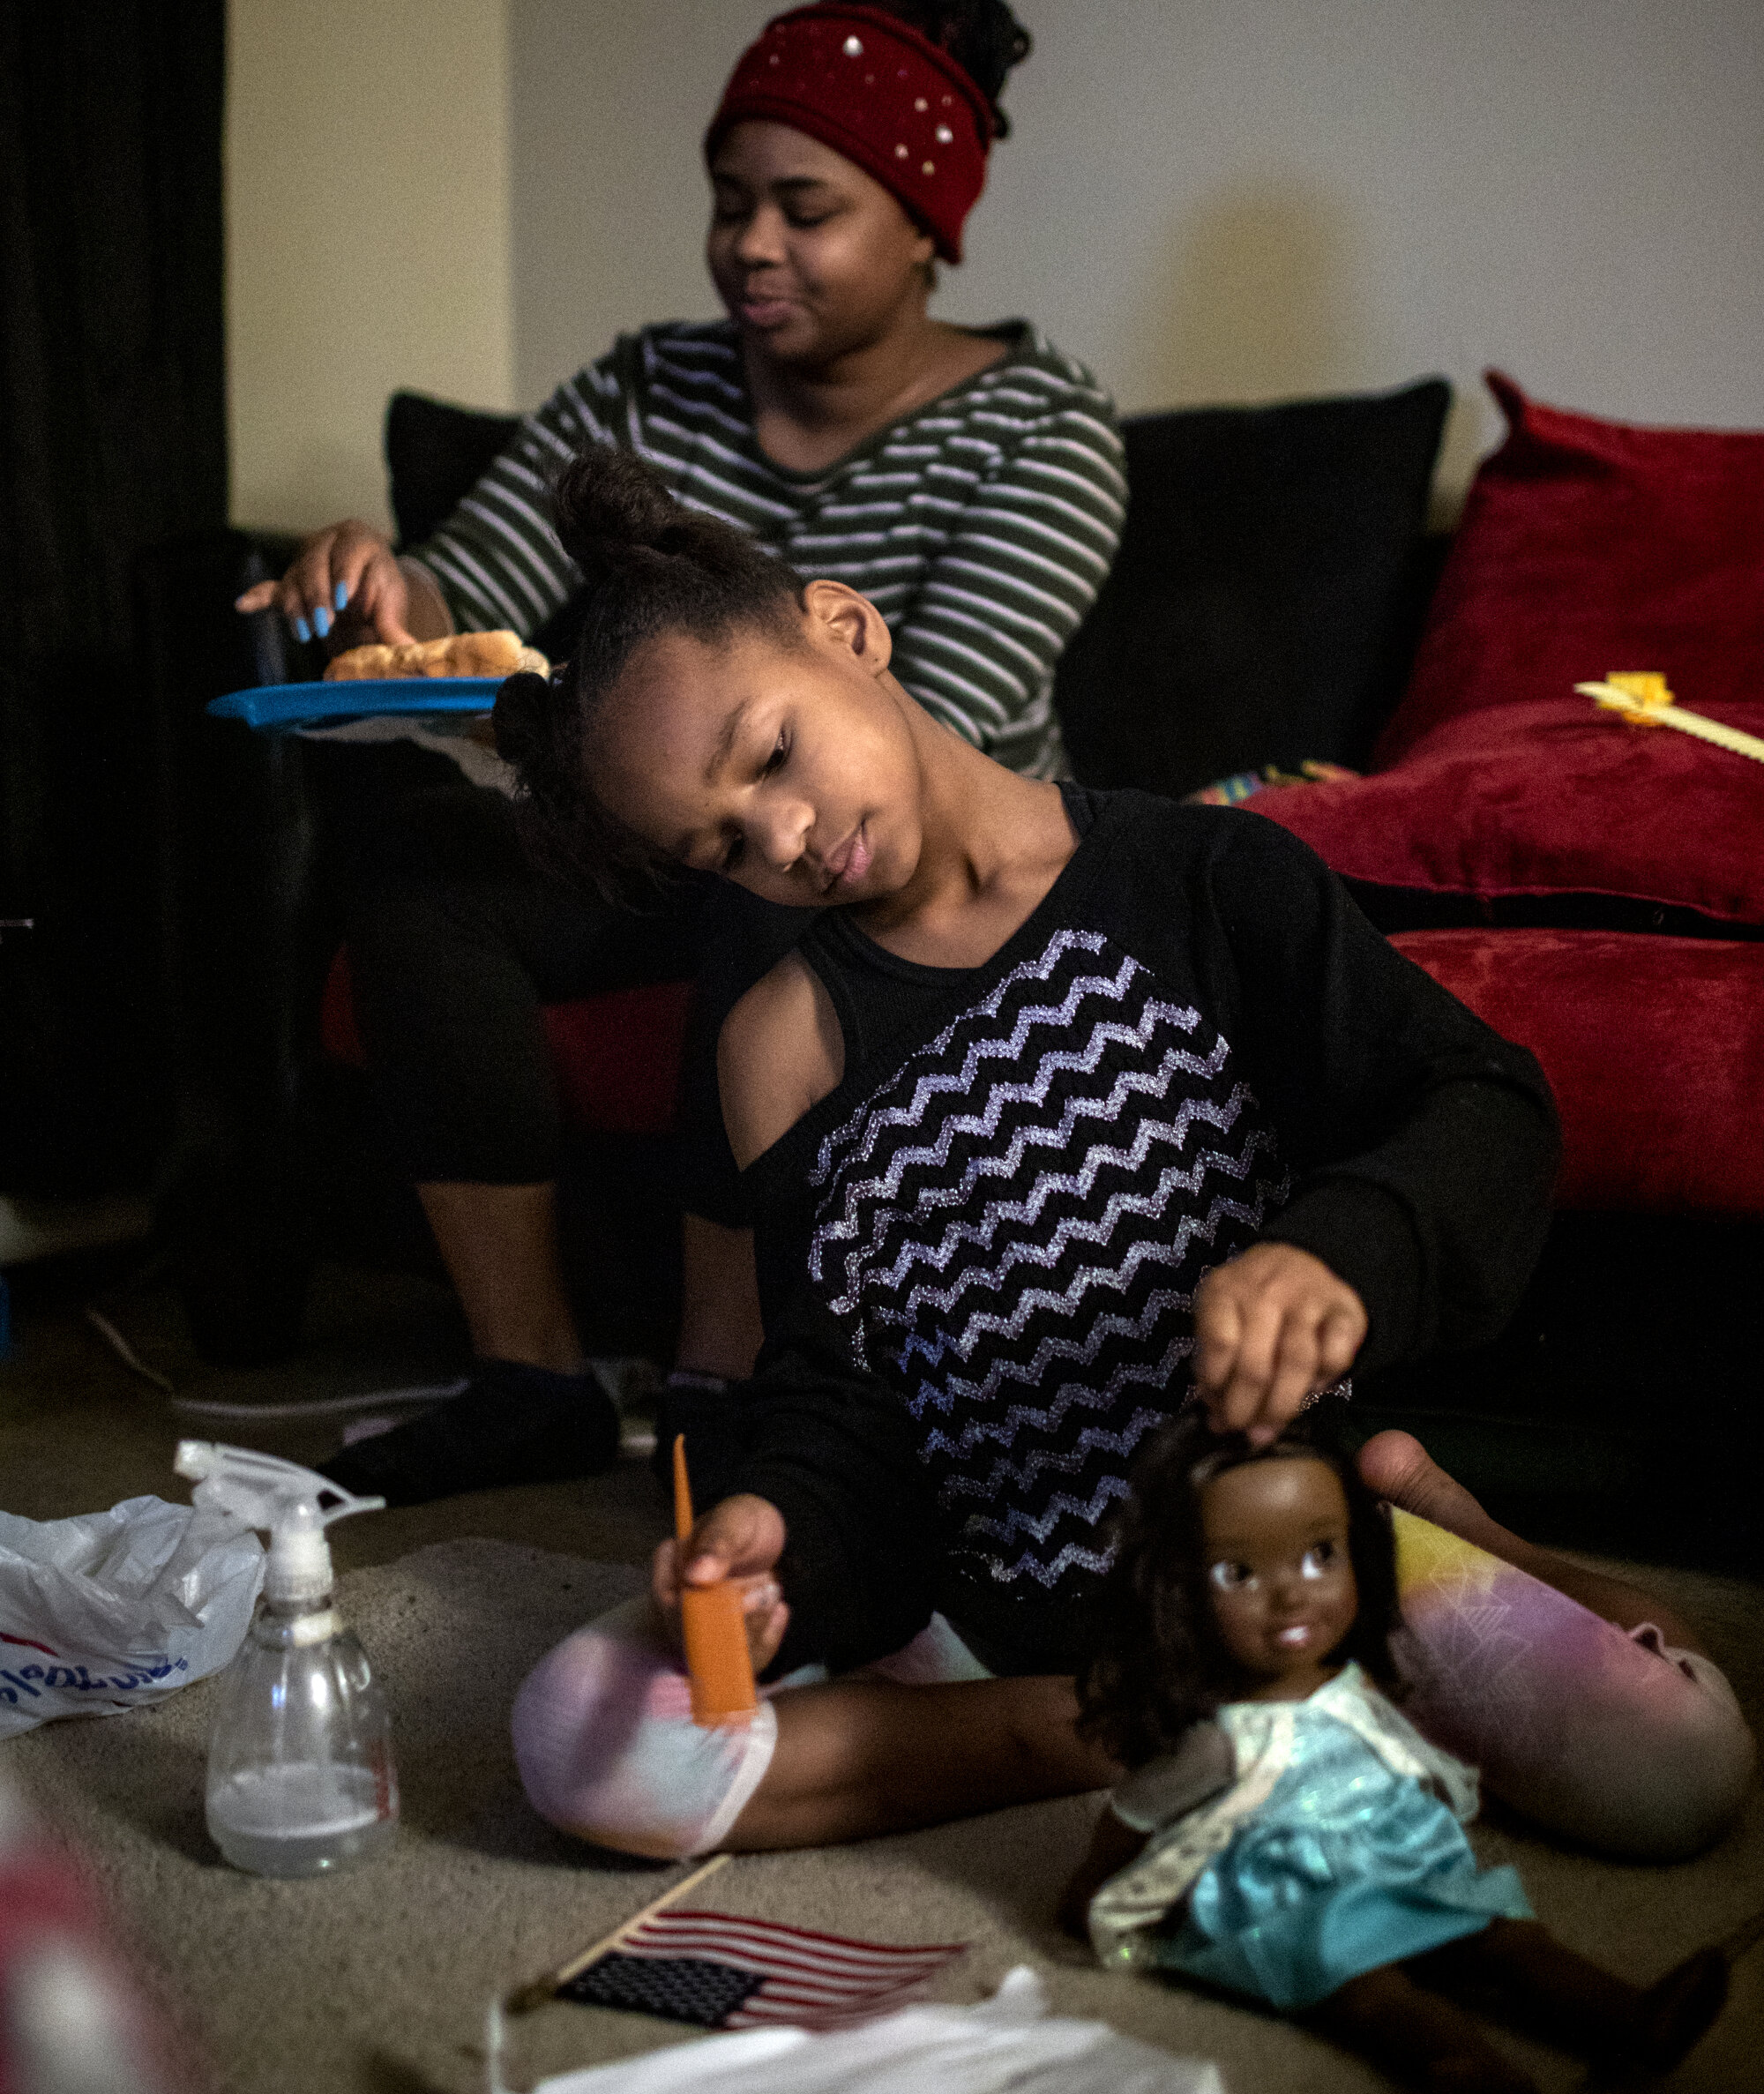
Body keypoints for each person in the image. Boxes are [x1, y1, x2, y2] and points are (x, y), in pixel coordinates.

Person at [496, 444, 1753, 1870]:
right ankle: (1106, 1726)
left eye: (773, 754)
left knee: (1680, 1757)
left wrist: (1337, 1250)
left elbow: (1483, 1106)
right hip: (986, 1610)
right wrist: (780, 1532)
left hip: (1294, 1562)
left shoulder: (1206, 881)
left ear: (845, 629)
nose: (783, 836)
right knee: (577, 1731)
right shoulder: (777, 1047)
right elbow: (838, 1399)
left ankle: (1407, 1529)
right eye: (722, 845)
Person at [235, 0, 1127, 1503]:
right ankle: (528, 1376)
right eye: (730, 200)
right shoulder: (647, 387)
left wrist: (706, 791)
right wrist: (390, 580)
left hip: (870, 855)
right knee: (425, 880)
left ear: (927, 228)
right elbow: (482, 585)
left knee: (772, 876)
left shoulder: (1043, 434)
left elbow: (917, 744)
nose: (750, 245)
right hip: (668, 830)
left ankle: (727, 1378)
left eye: (806, 207)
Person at [1056, 1410, 1728, 2094]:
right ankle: (1468, 2068)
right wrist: (1096, 1890)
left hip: (1391, 1848)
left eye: (1319, 1556)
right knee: (1366, 1993)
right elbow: (1135, 1817)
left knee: (1505, 1936)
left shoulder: (1352, 1677)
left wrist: (1422, 1797)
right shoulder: (1215, 1738)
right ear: (1174, 1596)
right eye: (1239, 1573)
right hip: (1289, 1889)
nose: (1292, 1595)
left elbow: (1388, 1741)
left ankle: (1630, 2017)